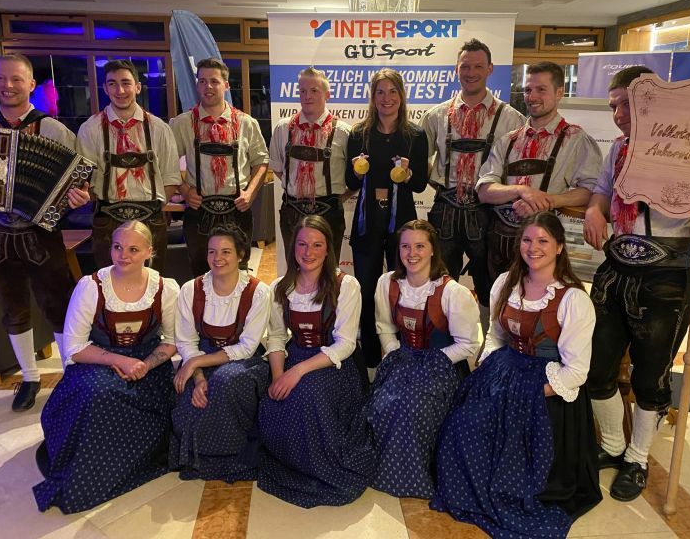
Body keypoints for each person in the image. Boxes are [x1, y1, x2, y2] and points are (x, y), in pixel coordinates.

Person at [583, 65, 690, 501]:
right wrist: (594, 209)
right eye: (613, 106)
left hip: (668, 276)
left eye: (626, 105)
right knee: (597, 368)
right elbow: (603, 190)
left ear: (654, 102)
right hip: (615, 269)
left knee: (651, 376)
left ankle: (637, 458)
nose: (618, 115)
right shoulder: (619, 149)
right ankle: (613, 446)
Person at [432, 211, 602, 538]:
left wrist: (529, 393)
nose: (533, 248)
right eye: (527, 240)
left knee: (507, 439)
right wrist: (488, 368)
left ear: (559, 247)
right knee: (461, 425)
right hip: (505, 369)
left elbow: (576, 372)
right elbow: (496, 335)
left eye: (542, 241)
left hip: (547, 385)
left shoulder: (574, 300)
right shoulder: (505, 283)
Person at [0, 54, 90, 411]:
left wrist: (78, 197)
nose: (7, 86)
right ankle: (30, 377)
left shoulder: (53, 130)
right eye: (1, 79)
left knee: (58, 303)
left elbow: (77, 182)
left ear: (31, 84)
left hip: (41, 230)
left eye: (16, 79)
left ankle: (71, 375)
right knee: (12, 306)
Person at [33, 221, 179, 514]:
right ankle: (90, 472)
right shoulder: (90, 287)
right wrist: (119, 360)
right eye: (117, 247)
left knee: (157, 399)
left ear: (149, 252)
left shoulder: (166, 288)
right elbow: (75, 347)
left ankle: (125, 461)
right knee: (97, 393)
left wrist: (146, 365)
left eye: (133, 249)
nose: (123, 255)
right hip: (97, 359)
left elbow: (173, 340)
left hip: (146, 364)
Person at [258, 215, 375, 507]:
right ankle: (291, 463)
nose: (308, 252)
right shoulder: (280, 287)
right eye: (302, 244)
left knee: (309, 393)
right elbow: (276, 337)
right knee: (274, 398)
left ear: (328, 249)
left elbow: (345, 344)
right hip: (295, 353)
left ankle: (320, 468)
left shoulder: (346, 285)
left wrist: (296, 372)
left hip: (334, 361)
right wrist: (278, 376)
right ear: (293, 247)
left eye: (316, 245)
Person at [368, 219, 480, 499]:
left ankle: (413, 477)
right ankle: (387, 469)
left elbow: (467, 344)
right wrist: (395, 354)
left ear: (433, 250)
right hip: (403, 359)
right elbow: (385, 326)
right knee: (382, 405)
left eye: (420, 246)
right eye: (405, 246)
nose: (412, 253)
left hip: (442, 366)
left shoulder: (453, 293)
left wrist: (429, 361)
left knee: (412, 407)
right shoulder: (387, 283)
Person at [422, 39, 525, 315]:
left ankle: (489, 338)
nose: (471, 72)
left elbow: (517, 173)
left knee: (492, 285)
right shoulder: (435, 116)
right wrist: (436, 181)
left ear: (490, 69)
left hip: (489, 213)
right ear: (456, 69)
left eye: (478, 66)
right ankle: (443, 337)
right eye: (465, 66)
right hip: (444, 209)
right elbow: (420, 164)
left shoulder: (512, 119)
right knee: (439, 285)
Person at [477, 60, 602, 287]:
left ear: (559, 93)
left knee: (540, 301)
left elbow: (590, 190)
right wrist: (522, 191)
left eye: (541, 89)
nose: (532, 96)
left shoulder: (576, 140)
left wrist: (548, 201)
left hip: (543, 246)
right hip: (500, 244)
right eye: (527, 90)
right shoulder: (508, 140)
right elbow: (485, 191)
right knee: (498, 300)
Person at [170, 224, 271, 482]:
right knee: (189, 393)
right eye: (212, 251)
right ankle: (196, 457)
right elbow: (186, 340)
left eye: (226, 252)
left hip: (244, 360)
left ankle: (231, 456)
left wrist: (195, 363)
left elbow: (247, 346)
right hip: (200, 356)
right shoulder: (190, 289)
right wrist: (198, 376)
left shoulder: (258, 291)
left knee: (224, 383)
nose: (217, 258)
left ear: (240, 255)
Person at [345, 68, 429, 368]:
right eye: (380, 92)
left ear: (402, 96)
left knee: (402, 289)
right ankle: (369, 357)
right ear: (372, 97)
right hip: (367, 221)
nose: (386, 98)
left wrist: (407, 174)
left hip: (402, 223)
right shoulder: (359, 134)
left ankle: (402, 353)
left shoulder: (415, 135)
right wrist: (357, 172)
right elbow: (351, 182)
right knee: (367, 289)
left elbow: (419, 185)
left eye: (393, 91)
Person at [78, 59, 181, 272]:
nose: (120, 90)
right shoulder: (90, 129)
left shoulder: (159, 128)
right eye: (113, 84)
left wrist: (151, 209)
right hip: (107, 221)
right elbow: (85, 181)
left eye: (126, 83)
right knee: (109, 283)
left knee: (151, 283)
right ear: (105, 88)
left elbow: (171, 178)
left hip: (151, 220)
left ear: (138, 87)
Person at [170, 58, 269, 275]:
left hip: (237, 210)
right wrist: (185, 191)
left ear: (226, 85)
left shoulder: (246, 123)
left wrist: (250, 193)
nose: (208, 86)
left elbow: (261, 161)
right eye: (202, 81)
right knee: (201, 274)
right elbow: (167, 164)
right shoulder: (182, 123)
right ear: (197, 85)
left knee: (239, 273)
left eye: (214, 81)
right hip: (199, 213)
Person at [270, 67, 350, 264]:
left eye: (314, 90)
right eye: (303, 91)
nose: (307, 96)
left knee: (329, 270)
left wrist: (338, 198)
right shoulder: (283, 128)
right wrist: (297, 187)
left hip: (329, 212)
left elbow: (356, 176)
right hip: (292, 211)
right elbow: (278, 168)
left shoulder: (344, 132)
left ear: (327, 94)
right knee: (294, 270)